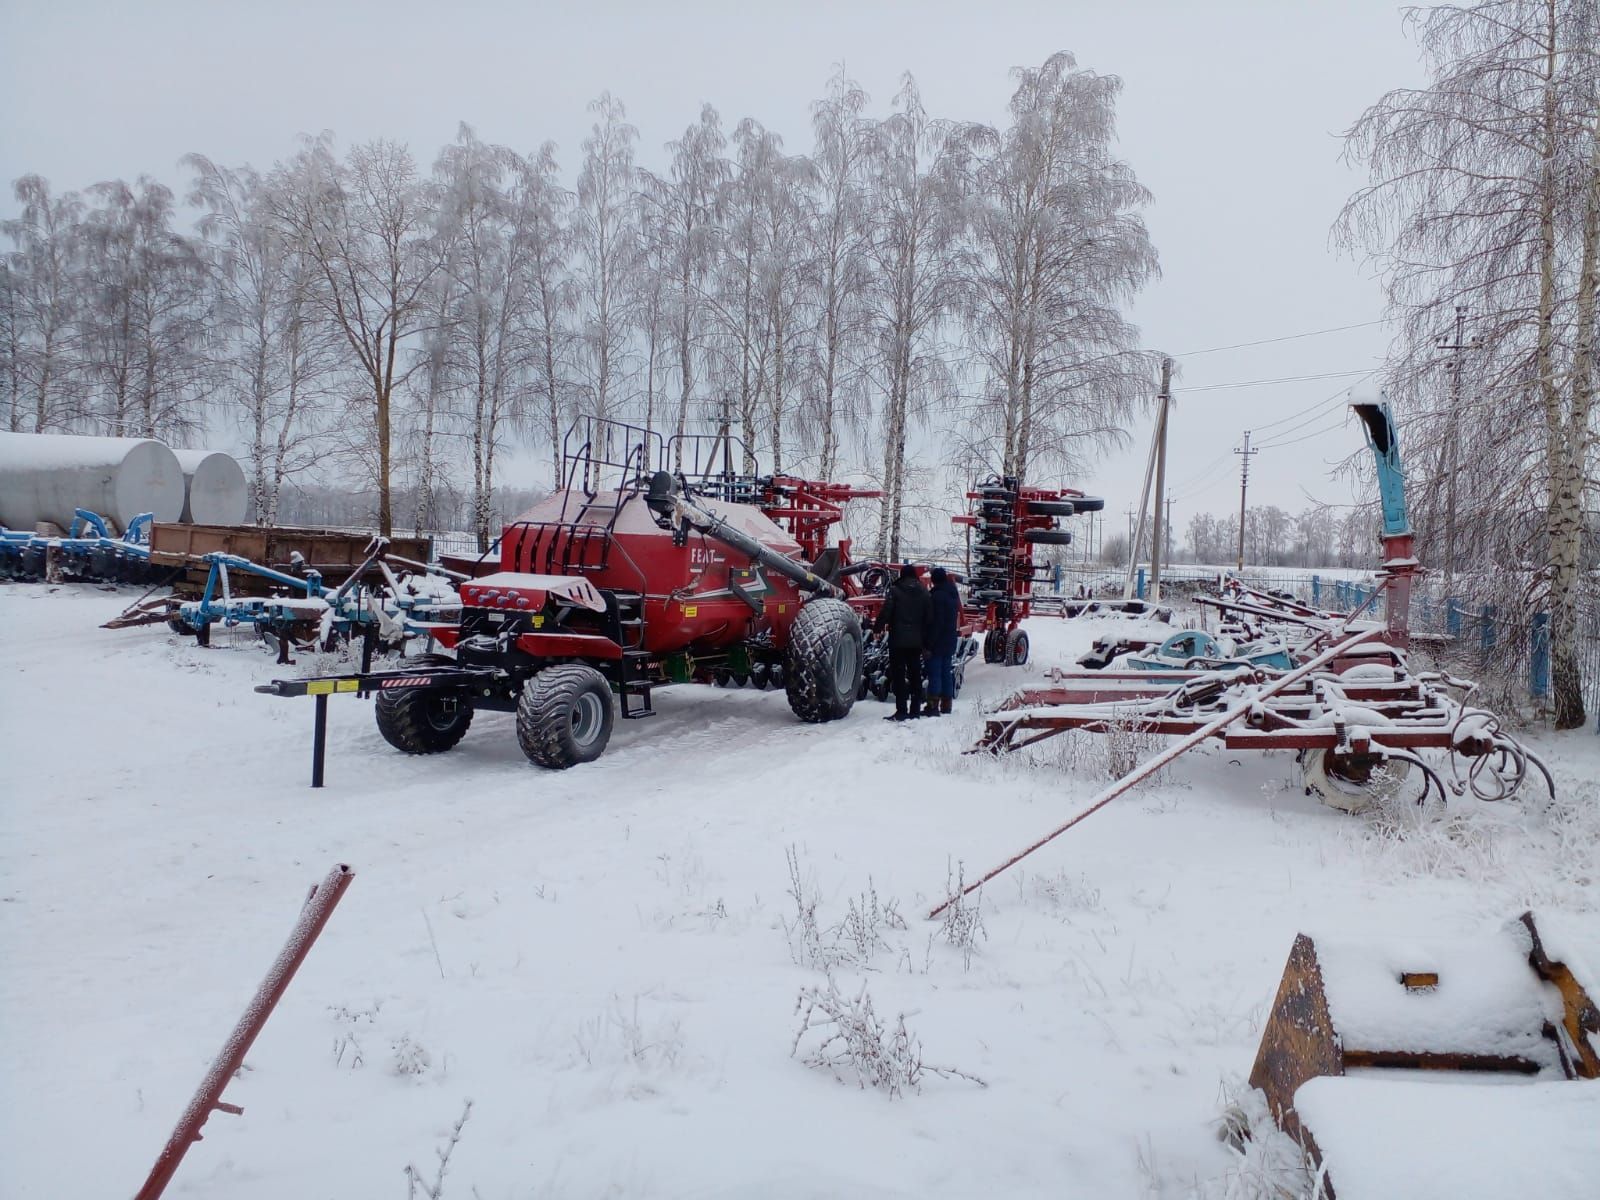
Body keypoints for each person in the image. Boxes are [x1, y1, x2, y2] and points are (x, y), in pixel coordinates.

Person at [873, 563, 931, 720]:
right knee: (915, 675)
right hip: (916, 643)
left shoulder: (895, 591)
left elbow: (886, 612)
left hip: (897, 641)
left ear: (902, 575)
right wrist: (926, 641)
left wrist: (876, 628)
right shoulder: (924, 592)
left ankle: (901, 710)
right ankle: (915, 710)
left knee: (898, 676)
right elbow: (929, 618)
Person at [923, 565, 961, 716]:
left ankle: (932, 706)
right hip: (949, 639)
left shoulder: (937, 597)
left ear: (934, 581)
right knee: (946, 672)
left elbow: (936, 623)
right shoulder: (952, 594)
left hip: (938, 642)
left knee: (935, 674)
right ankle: (947, 705)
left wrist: (928, 644)